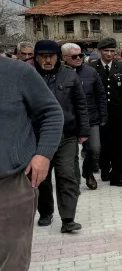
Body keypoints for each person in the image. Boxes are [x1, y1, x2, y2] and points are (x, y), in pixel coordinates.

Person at [0, 57, 63, 271]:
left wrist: (43, 154)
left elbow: (51, 112)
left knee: (11, 253)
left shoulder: (18, 73)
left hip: (10, 180)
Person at [33, 40, 89, 233]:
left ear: (58, 57)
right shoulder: (30, 76)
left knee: (67, 175)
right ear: (36, 57)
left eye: (51, 56)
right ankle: (45, 211)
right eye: (43, 56)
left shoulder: (69, 76)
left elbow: (81, 105)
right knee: (42, 178)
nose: (47, 60)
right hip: (38, 137)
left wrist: (83, 132)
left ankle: (68, 218)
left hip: (66, 134)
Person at [63, 42, 106, 190]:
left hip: (90, 118)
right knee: (70, 155)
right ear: (64, 57)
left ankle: (88, 172)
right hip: (68, 120)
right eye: (74, 56)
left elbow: (100, 95)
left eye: (80, 55)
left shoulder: (91, 72)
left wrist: (103, 116)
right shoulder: (60, 74)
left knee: (95, 149)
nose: (78, 58)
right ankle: (72, 180)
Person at [94, 37, 122, 187]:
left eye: (112, 51)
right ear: (100, 51)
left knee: (119, 145)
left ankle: (117, 176)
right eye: (106, 51)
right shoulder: (92, 68)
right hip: (99, 113)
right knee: (103, 144)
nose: (109, 54)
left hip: (118, 112)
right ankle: (105, 169)